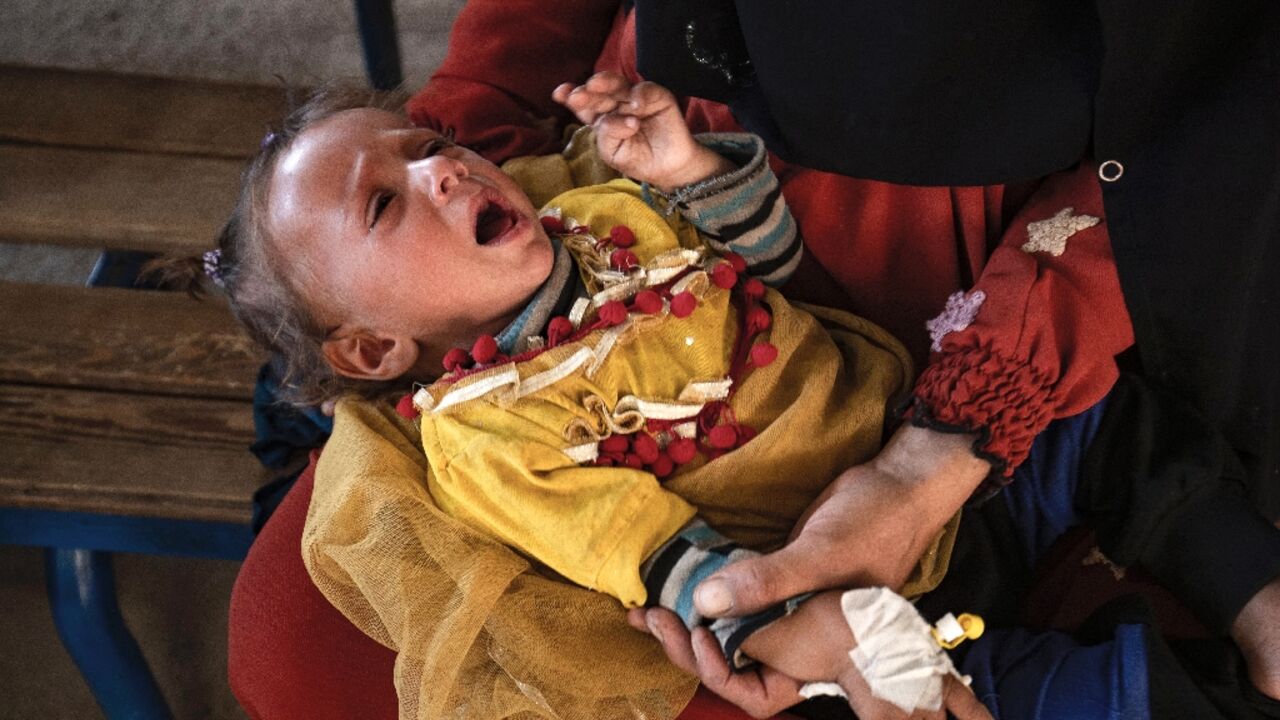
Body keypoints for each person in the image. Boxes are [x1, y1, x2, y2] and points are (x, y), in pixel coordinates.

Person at [183, 66, 1280, 720]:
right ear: (374, 353)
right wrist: (824, 633)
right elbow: (671, 563)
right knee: (1032, 701)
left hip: (918, 434)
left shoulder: (592, 214)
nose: (440, 170)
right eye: (384, 206)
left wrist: (689, 175)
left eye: (424, 145)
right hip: (842, 588)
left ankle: (1250, 594)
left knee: (1110, 424)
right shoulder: (489, 438)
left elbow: (765, 262)